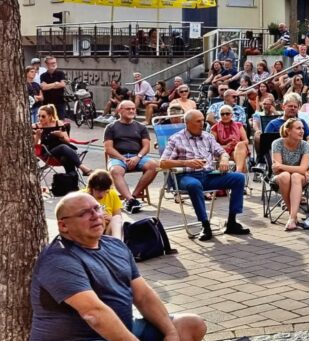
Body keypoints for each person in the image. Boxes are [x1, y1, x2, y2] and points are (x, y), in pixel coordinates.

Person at [30, 192, 206, 341]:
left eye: (97, 208)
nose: (95, 216)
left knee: (191, 325)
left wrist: (170, 333)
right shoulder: (59, 260)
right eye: (84, 213)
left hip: (121, 331)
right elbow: (93, 312)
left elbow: (144, 296)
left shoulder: (116, 246)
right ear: (63, 226)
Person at [160, 110, 250, 242]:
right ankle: (205, 225)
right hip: (185, 176)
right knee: (194, 185)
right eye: (198, 121)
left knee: (238, 178)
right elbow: (163, 163)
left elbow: (222, 152)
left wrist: (224, 159)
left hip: (208, 175)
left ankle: (232, 222)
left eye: (202, 120)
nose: (202, 123)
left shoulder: (207, 136)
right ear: (188, 123)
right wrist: (186, 162)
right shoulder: (176, 139)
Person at [103, 101, 158, 213]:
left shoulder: (141, 127)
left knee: (154, 165)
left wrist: (137, 157)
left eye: (133, 109)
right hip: (118, 157)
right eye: (128, 109)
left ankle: (133, 197)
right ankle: (130, 200)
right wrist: (123, 159)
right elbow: (108, 149)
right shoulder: (111, 127)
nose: (132, 111)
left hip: (137, 157)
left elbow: (146, 147)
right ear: (120, 110)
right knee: (115, 171)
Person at [272, 118, 309, 232]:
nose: (302, 131)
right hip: (281, 178)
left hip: (299, 178)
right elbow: (277, 170)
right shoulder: (277, 143)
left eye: (303, 128)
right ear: (288, 131)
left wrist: (282, 166)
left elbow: (303, 168)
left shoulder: (305, 145)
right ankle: (293, 216)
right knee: (285, 176)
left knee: (294, 176)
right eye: (298, 128)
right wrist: (297, 169)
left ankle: (291, 217)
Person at [35, 104, 91, 177]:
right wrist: (37, 136)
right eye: (38, 116)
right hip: (48, 153)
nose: (40, 118)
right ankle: (83, 168)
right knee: (63, 147)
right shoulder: (36, 127)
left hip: (62, 153)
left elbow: (67, 141)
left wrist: (61, 136)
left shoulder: (59, 124)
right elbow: (34, 146)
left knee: (65, 158)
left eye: (43, 116)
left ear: (50, 116)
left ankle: (72, 181)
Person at [84, 169, 125, 238]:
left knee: (117, 218)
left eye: (105, 191)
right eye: (99, 191)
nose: (102, 195)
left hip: (107, 232)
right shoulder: (82, 197)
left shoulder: (112, 194)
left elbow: (118, 216)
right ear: (91, 188)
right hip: (89, 231)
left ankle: (118, 243)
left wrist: (111, 218)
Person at [210, 105, 250, 174]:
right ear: (220, 116)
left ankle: (238, 172)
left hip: (237, 150)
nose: (225, 116)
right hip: (222, 151)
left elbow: (246, 141)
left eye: (227, 114)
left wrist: (236, 143)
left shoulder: (238, 125)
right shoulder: (214, 128)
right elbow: (212, 145)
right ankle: (240, 174)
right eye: (222, 114)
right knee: (240, 158)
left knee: (240, 145)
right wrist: (226, 146)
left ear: (231, 115)